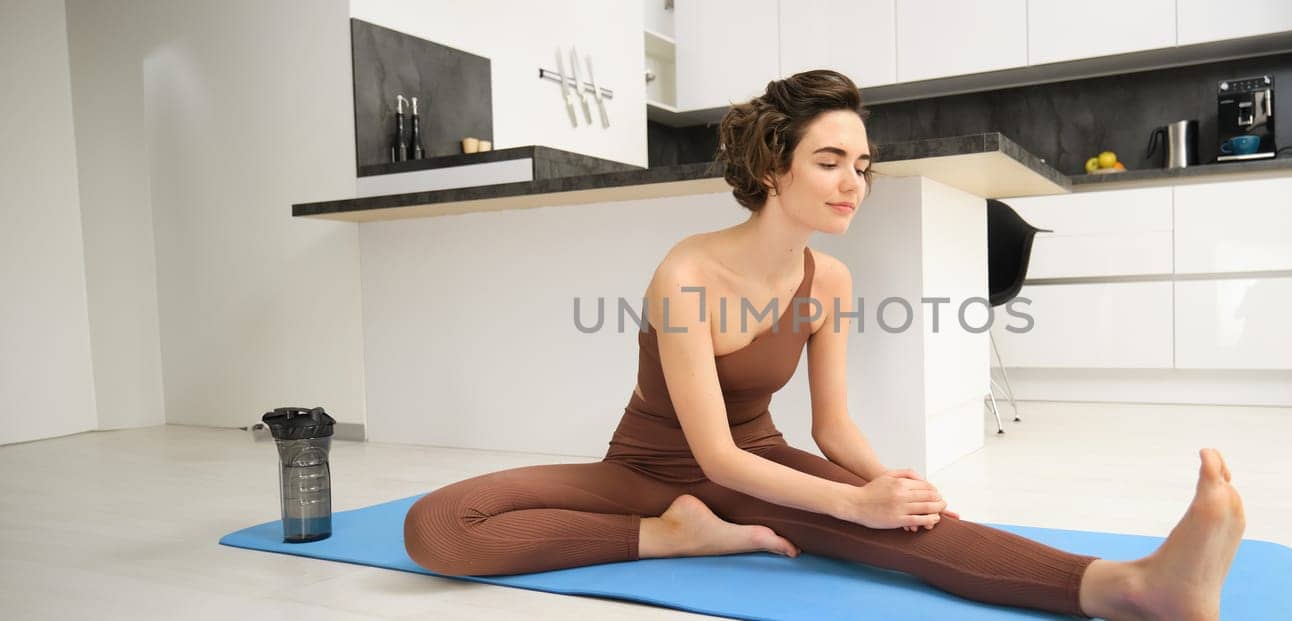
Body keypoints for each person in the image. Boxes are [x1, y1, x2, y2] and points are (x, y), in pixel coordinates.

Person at [403, 69, 1246, 620]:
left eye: (863, 165)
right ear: (775, 167)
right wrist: (841, 503)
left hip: (761, 460)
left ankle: (1130, 587)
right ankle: (678, 536)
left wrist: (882, 482)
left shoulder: (829, 283)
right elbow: (712, 456)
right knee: (439, 526)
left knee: (908, 526)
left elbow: (832, 427)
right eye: (832, 161)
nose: (855, 183)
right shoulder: (685, 273)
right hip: (649, 470)